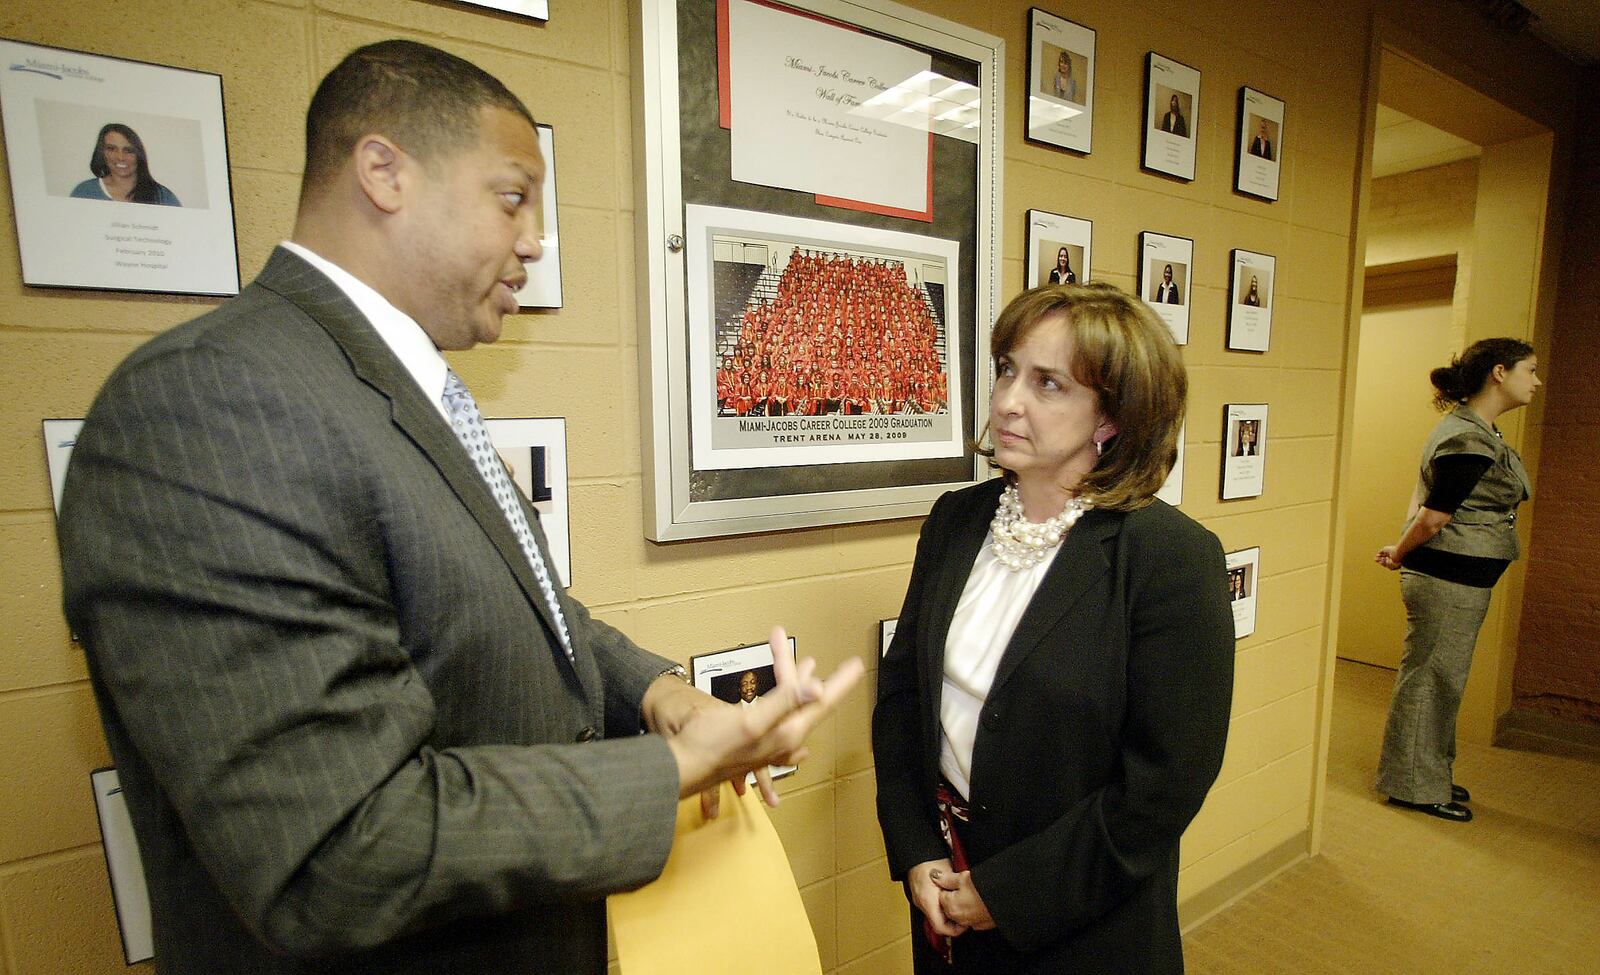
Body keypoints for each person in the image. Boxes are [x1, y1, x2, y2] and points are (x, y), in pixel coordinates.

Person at [56, 40, 861, 975]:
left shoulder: (403, 388)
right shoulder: (209, 404)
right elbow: (337, 846)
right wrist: (672, 770)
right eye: (512, 198)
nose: (535, 241)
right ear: (384, 171)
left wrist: (660, 694)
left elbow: (529, 613)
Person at [873, 283, 1235, 973]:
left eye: (1049, 383)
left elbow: (1164, 783)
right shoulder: (955, 519)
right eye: (1008, 369)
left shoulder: (1167, 556)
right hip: (944, 894)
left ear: (1113, 416)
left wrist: (1004, 893)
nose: (1009, 399)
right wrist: (915, 848)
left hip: (1081, 918)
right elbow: (902, 700)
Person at [1374, 338, 1538, 823]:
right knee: (1431, 679)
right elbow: (1433, 516)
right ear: (1499, 373)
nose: (1537, 380)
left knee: (1443, 679)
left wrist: (1403, 546)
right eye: (1531, 370)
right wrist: (1399, 551)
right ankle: (1413, 786)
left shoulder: (1476, 429)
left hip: (1458, 578)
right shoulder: (1467, 437)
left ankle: (1428, 772)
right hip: (1445, 578)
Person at [69, 122, 182, 206]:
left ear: (139, 155)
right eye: (111, 149)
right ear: (101, 153)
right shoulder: (84, 192)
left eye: (128, 150)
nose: (120, 157)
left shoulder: (163, 197)